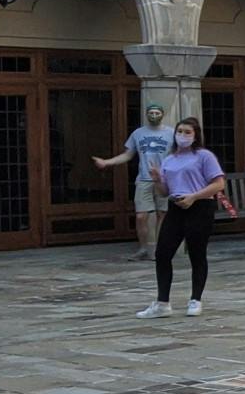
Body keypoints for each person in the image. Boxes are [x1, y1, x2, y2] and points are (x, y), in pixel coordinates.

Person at [138, 116, 226, 318]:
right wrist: (157, 180)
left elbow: (218, 184)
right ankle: (162, 302)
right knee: (162, 253)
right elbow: (164, 192)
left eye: (187, 132)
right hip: (176, 206)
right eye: (180, 132)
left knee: (196, 253)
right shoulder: (169, 159)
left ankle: (195, 299)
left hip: (200, 206)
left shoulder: (204, 156)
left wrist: (194, 197)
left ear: (195, 136)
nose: (183, 136)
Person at [93, 103, 173, 261]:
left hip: (164, 179)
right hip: (144, 179)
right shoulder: (138, 133)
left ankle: (160, 249)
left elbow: (178, 155)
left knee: (162, 214)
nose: (154, 115)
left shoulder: (171, 133)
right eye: (151, 113)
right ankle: (143, 248)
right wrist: (107, 162)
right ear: (146, 114)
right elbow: (127, 155)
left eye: (157, 113)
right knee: (141, 216)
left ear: (162, 114)